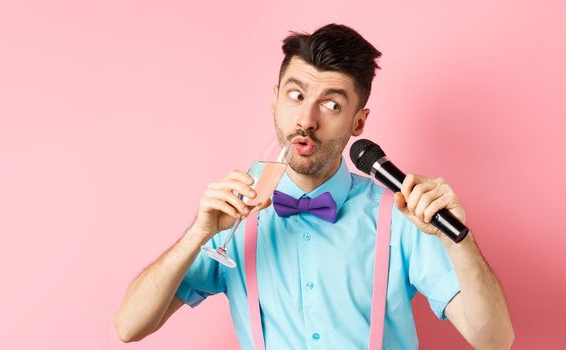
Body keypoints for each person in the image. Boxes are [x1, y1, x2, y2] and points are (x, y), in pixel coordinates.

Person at [114, 23, 514, 349]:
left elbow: (495, 341)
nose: (306, 118)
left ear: (358, 122)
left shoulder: (402, 215)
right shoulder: (231, 214)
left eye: (332, 104)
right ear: (274, 101)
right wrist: (197, 235)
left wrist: (459, 242)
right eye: (296, 95)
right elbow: (129, 327)